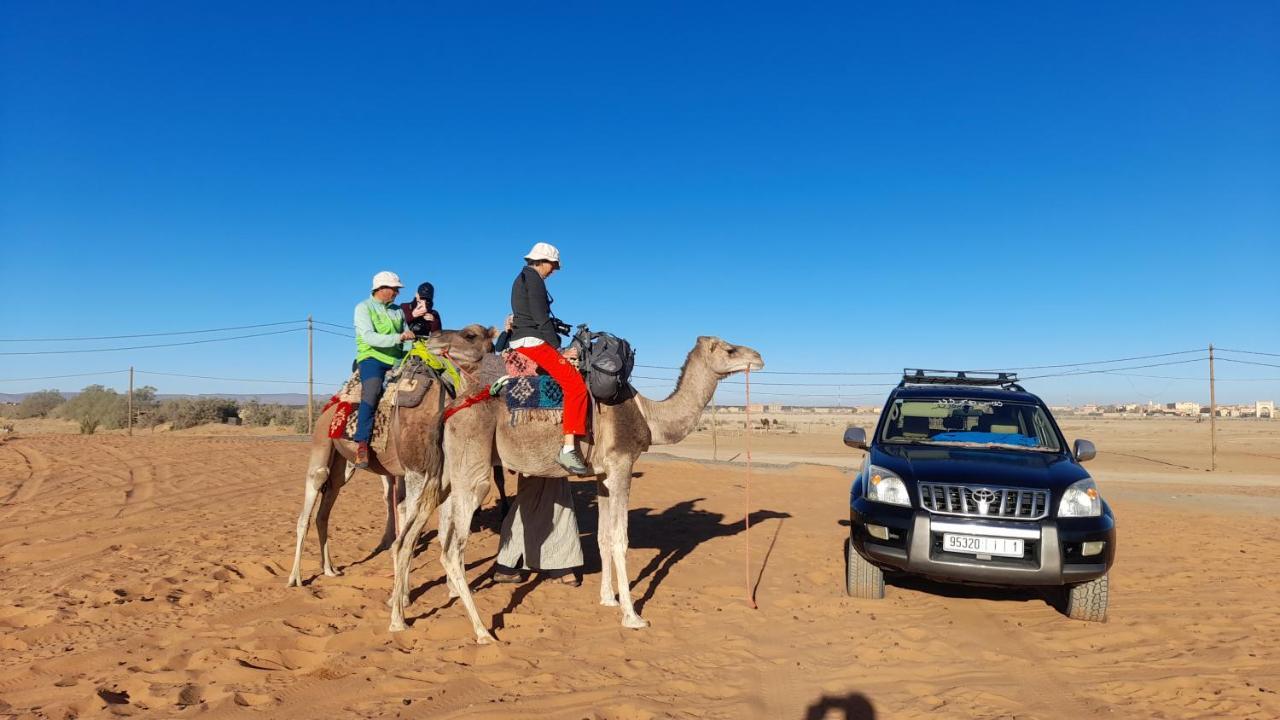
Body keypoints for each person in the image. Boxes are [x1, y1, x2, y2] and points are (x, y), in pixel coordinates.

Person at [508, 243, 589, 474]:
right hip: (533, 343)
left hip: (521, 341)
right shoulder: (534, 280)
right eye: (552, 266)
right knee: (576, 386)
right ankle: (568, 449)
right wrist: (558, 348)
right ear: (543, 262)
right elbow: (540, 317)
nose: (553, 271)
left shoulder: (521, 279)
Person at [352, 271, 415, 468]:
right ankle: (362, 443)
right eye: (394, 289)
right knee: (371, 393)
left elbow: (406, 336)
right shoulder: (363, 308)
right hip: (372, 358)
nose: (397, 293)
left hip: (398, 359)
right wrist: (399, 338)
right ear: (381, 289)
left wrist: (409, 351)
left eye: (397, 289)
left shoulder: (398, 311)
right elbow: (369, 337)